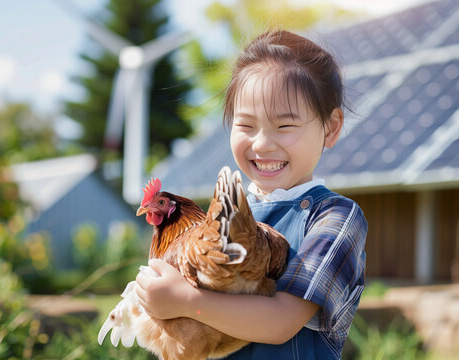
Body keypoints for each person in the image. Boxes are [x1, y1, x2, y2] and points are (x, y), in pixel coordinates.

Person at [135, 29, 367, 359]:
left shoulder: (334, 218)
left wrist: (184, 300)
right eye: (246, 125)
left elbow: (281, 322)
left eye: (284, 126)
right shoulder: (216, 222)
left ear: (330, 129)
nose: (261, 144)